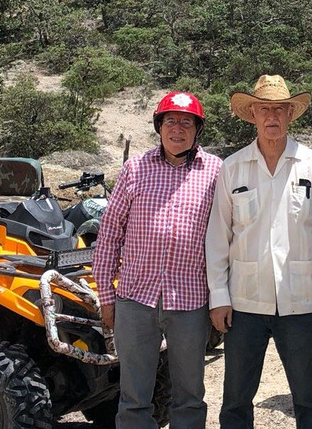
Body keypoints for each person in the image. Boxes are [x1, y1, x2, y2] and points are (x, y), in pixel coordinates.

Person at [205, 74, 312, 429]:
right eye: (264, 109)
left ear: (291, 114)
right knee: (236, 400)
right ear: (253, 115)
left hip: (301, 301)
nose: (272, 116)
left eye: (279, 109)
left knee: (309, 398)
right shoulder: (233, 167)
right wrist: (219, 297)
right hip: (244, 303)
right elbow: (218, 236)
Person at [93, 91, 223, 429]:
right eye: (170, 121)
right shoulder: (135, 169)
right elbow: (109, 235)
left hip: (191, 301)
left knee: (189, 396)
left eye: (186, 122)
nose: (177, 129)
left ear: (197, 130)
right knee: (134, 398)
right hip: (136, 299)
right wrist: (106, 295)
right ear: (159, 126)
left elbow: (228, 236)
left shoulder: (215, 171)